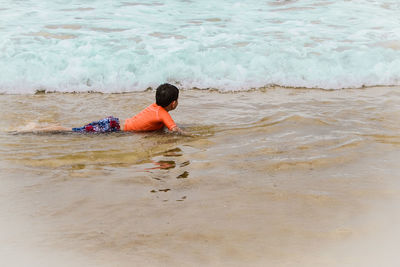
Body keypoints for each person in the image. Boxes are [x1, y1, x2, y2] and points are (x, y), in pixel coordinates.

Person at [31, 83, 184, 134]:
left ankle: (40, 127)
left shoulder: (155, 107)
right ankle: (37, 129)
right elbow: (175, 131)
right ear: (173, 103)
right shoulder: (163, 113)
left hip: (113, 123)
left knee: (76, 130)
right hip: (113, 129)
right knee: (72, 131)